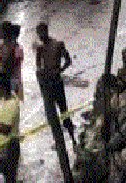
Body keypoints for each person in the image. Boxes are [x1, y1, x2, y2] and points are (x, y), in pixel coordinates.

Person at [35, 22, 75, 182]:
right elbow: (38, 65)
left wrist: (60, 70)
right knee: (53, 118)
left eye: (42, 32)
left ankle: (73, 139)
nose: (41, 36)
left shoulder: (57, 44)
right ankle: (61, 145)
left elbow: (68, 60)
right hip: (48, 84)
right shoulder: (40, 48)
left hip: (57, 83)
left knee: (65, 113)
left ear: (46, 31)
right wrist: (40, 72)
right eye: (39, 33)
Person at [0, 74, 21, 183]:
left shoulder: (12, 104)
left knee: (10, 177)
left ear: (3, 89)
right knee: (7, 176)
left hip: (9, 148)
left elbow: (6, 130)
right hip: (1, 147)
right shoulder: (3, 101)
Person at [0, 21, 25, 100]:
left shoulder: (15, 48)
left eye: (1, 31)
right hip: (7, 81)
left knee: (11, 105)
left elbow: (9, 66)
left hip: (10, 82)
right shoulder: (3, 46)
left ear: (5, 33)